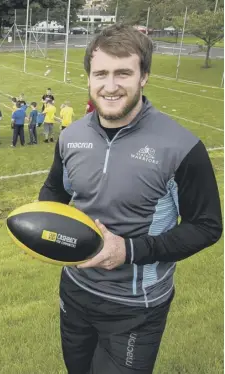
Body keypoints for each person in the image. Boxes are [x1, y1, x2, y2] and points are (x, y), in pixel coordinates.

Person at [38, 24, 222, 374]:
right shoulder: (71, 136)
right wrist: (44, 226)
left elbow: (207, 226)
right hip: (74, 290)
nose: (110, 86)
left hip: (136, 307)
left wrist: (128, 251)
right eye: (100, 73)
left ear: (144, 77)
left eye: (123, 73)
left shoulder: (181, 147)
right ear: (89, 78)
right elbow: (54, 191)